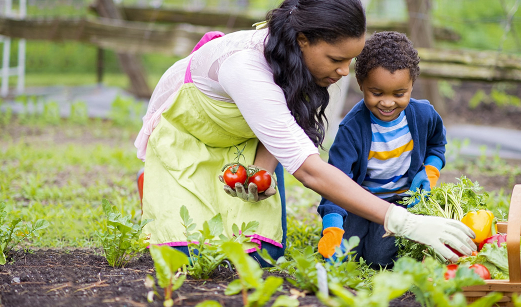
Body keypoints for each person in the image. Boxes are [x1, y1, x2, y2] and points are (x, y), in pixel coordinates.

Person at [135, 0, 476, 267]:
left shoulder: (295, 60)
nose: (344, 72)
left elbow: (281, 120)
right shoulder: (245, 68)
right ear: (303, 40)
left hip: (244, 138)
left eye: (350, 61)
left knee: (259, 257)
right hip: (191, 136)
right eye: (336, 59)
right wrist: (405, 222)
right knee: (189, 260)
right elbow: (310, 170)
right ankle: (156, 180)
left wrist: (260, 174)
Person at [316, 31, 453, 267]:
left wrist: (430, 170)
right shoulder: (352, 128)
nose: (388, 103)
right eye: (376, 93)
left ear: (411, 85)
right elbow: (334, 181)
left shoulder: (423, 115)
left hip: (399, 204)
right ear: (361, 84)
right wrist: (332, 228)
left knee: (378, 258)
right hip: (359, 202)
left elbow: (437, 144)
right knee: (343, 253)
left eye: (399, 94)